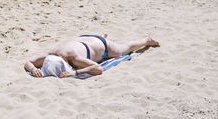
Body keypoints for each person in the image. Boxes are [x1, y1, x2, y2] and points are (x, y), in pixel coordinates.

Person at [24, 34, 159, 78]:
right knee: (93, 47)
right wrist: (33, 69)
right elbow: (28, 62)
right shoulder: (51, 55)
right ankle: (101, 35)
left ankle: (146, 40)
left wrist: (75, 72)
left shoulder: (74, 58)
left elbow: (97, 68)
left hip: (103, 46)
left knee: (125, 49)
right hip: (85, 39)